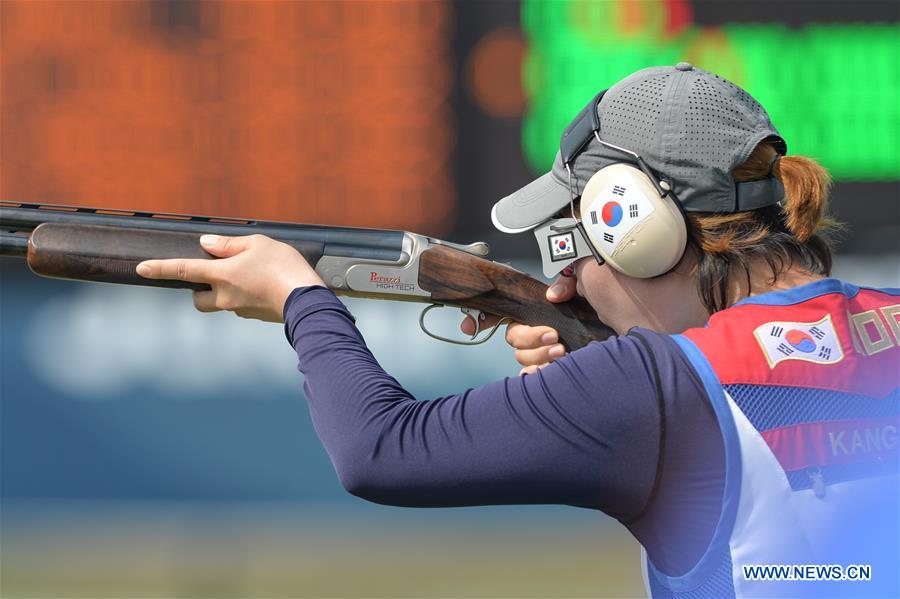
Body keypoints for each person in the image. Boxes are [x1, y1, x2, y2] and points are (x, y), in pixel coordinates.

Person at [136, 64, 899, 597]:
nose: (566, 284)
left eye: (574, 243)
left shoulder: (656, 391)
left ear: (634, 227)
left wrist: (301, 299)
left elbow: (378, 449)